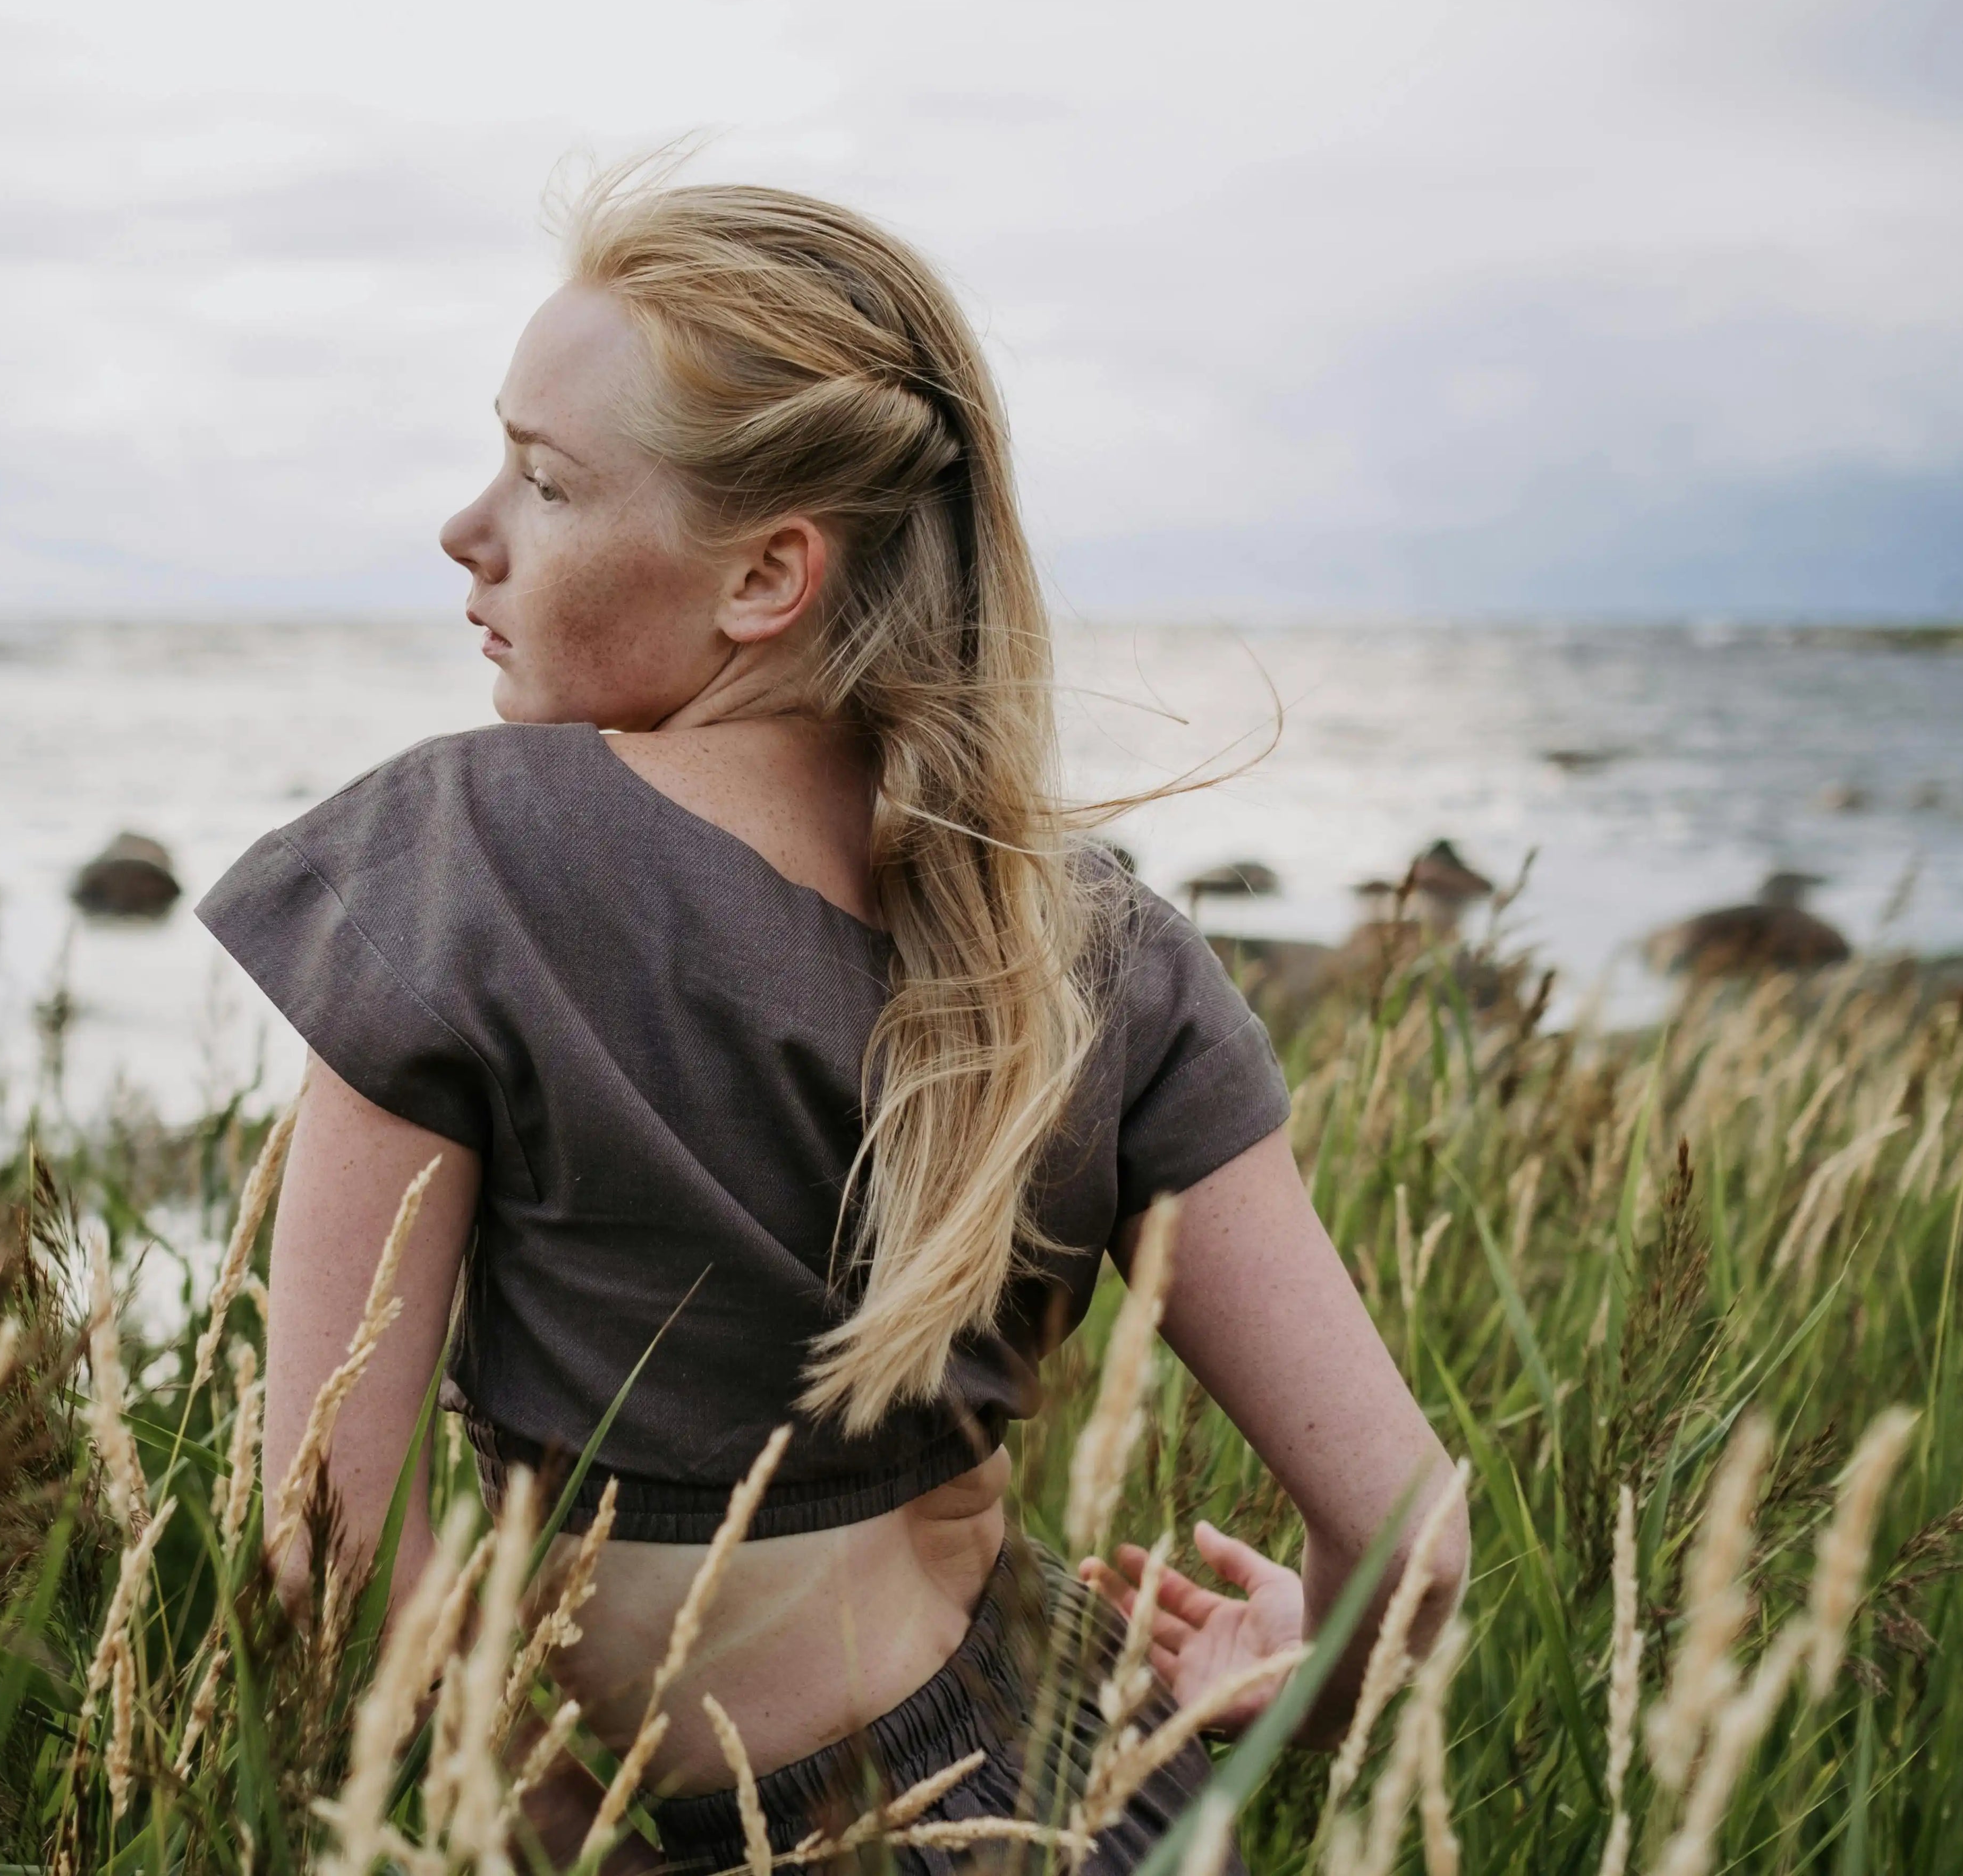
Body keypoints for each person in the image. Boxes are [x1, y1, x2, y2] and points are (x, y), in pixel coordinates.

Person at [199, 176, 1464, 1872]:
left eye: (545, 483)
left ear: (767, 576)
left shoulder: (460, 869)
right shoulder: (1101, 954)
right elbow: (1411, 1540)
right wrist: (1296, 1696)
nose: (467, 529)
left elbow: (331, 1548)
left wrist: (543, 1820)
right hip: (1083, 1803)